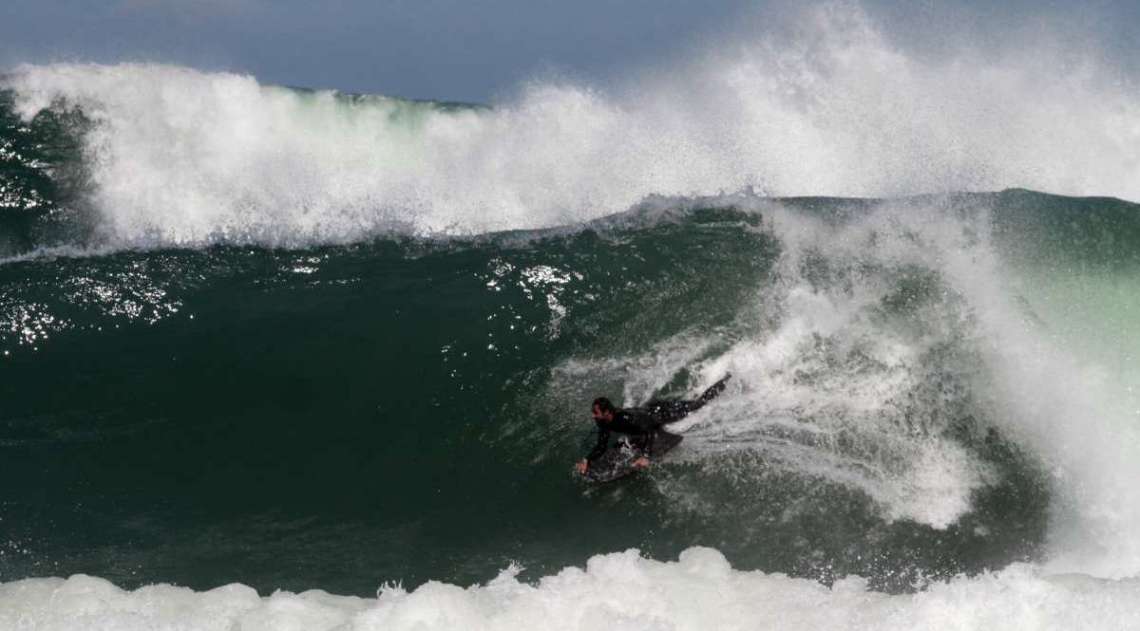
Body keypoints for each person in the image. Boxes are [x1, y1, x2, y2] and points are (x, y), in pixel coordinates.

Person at [575, 374, 731, 475]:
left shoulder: (624, 419)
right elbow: (601, 446)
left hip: (659, 413)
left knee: (697, 404)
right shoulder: (603, 422)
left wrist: (645, 457)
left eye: (596, 413)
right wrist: (587, 460)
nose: (592, 416)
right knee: (689, 404)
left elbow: (649, 430)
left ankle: (727, 380)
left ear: (607, 412)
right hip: (646, 411)